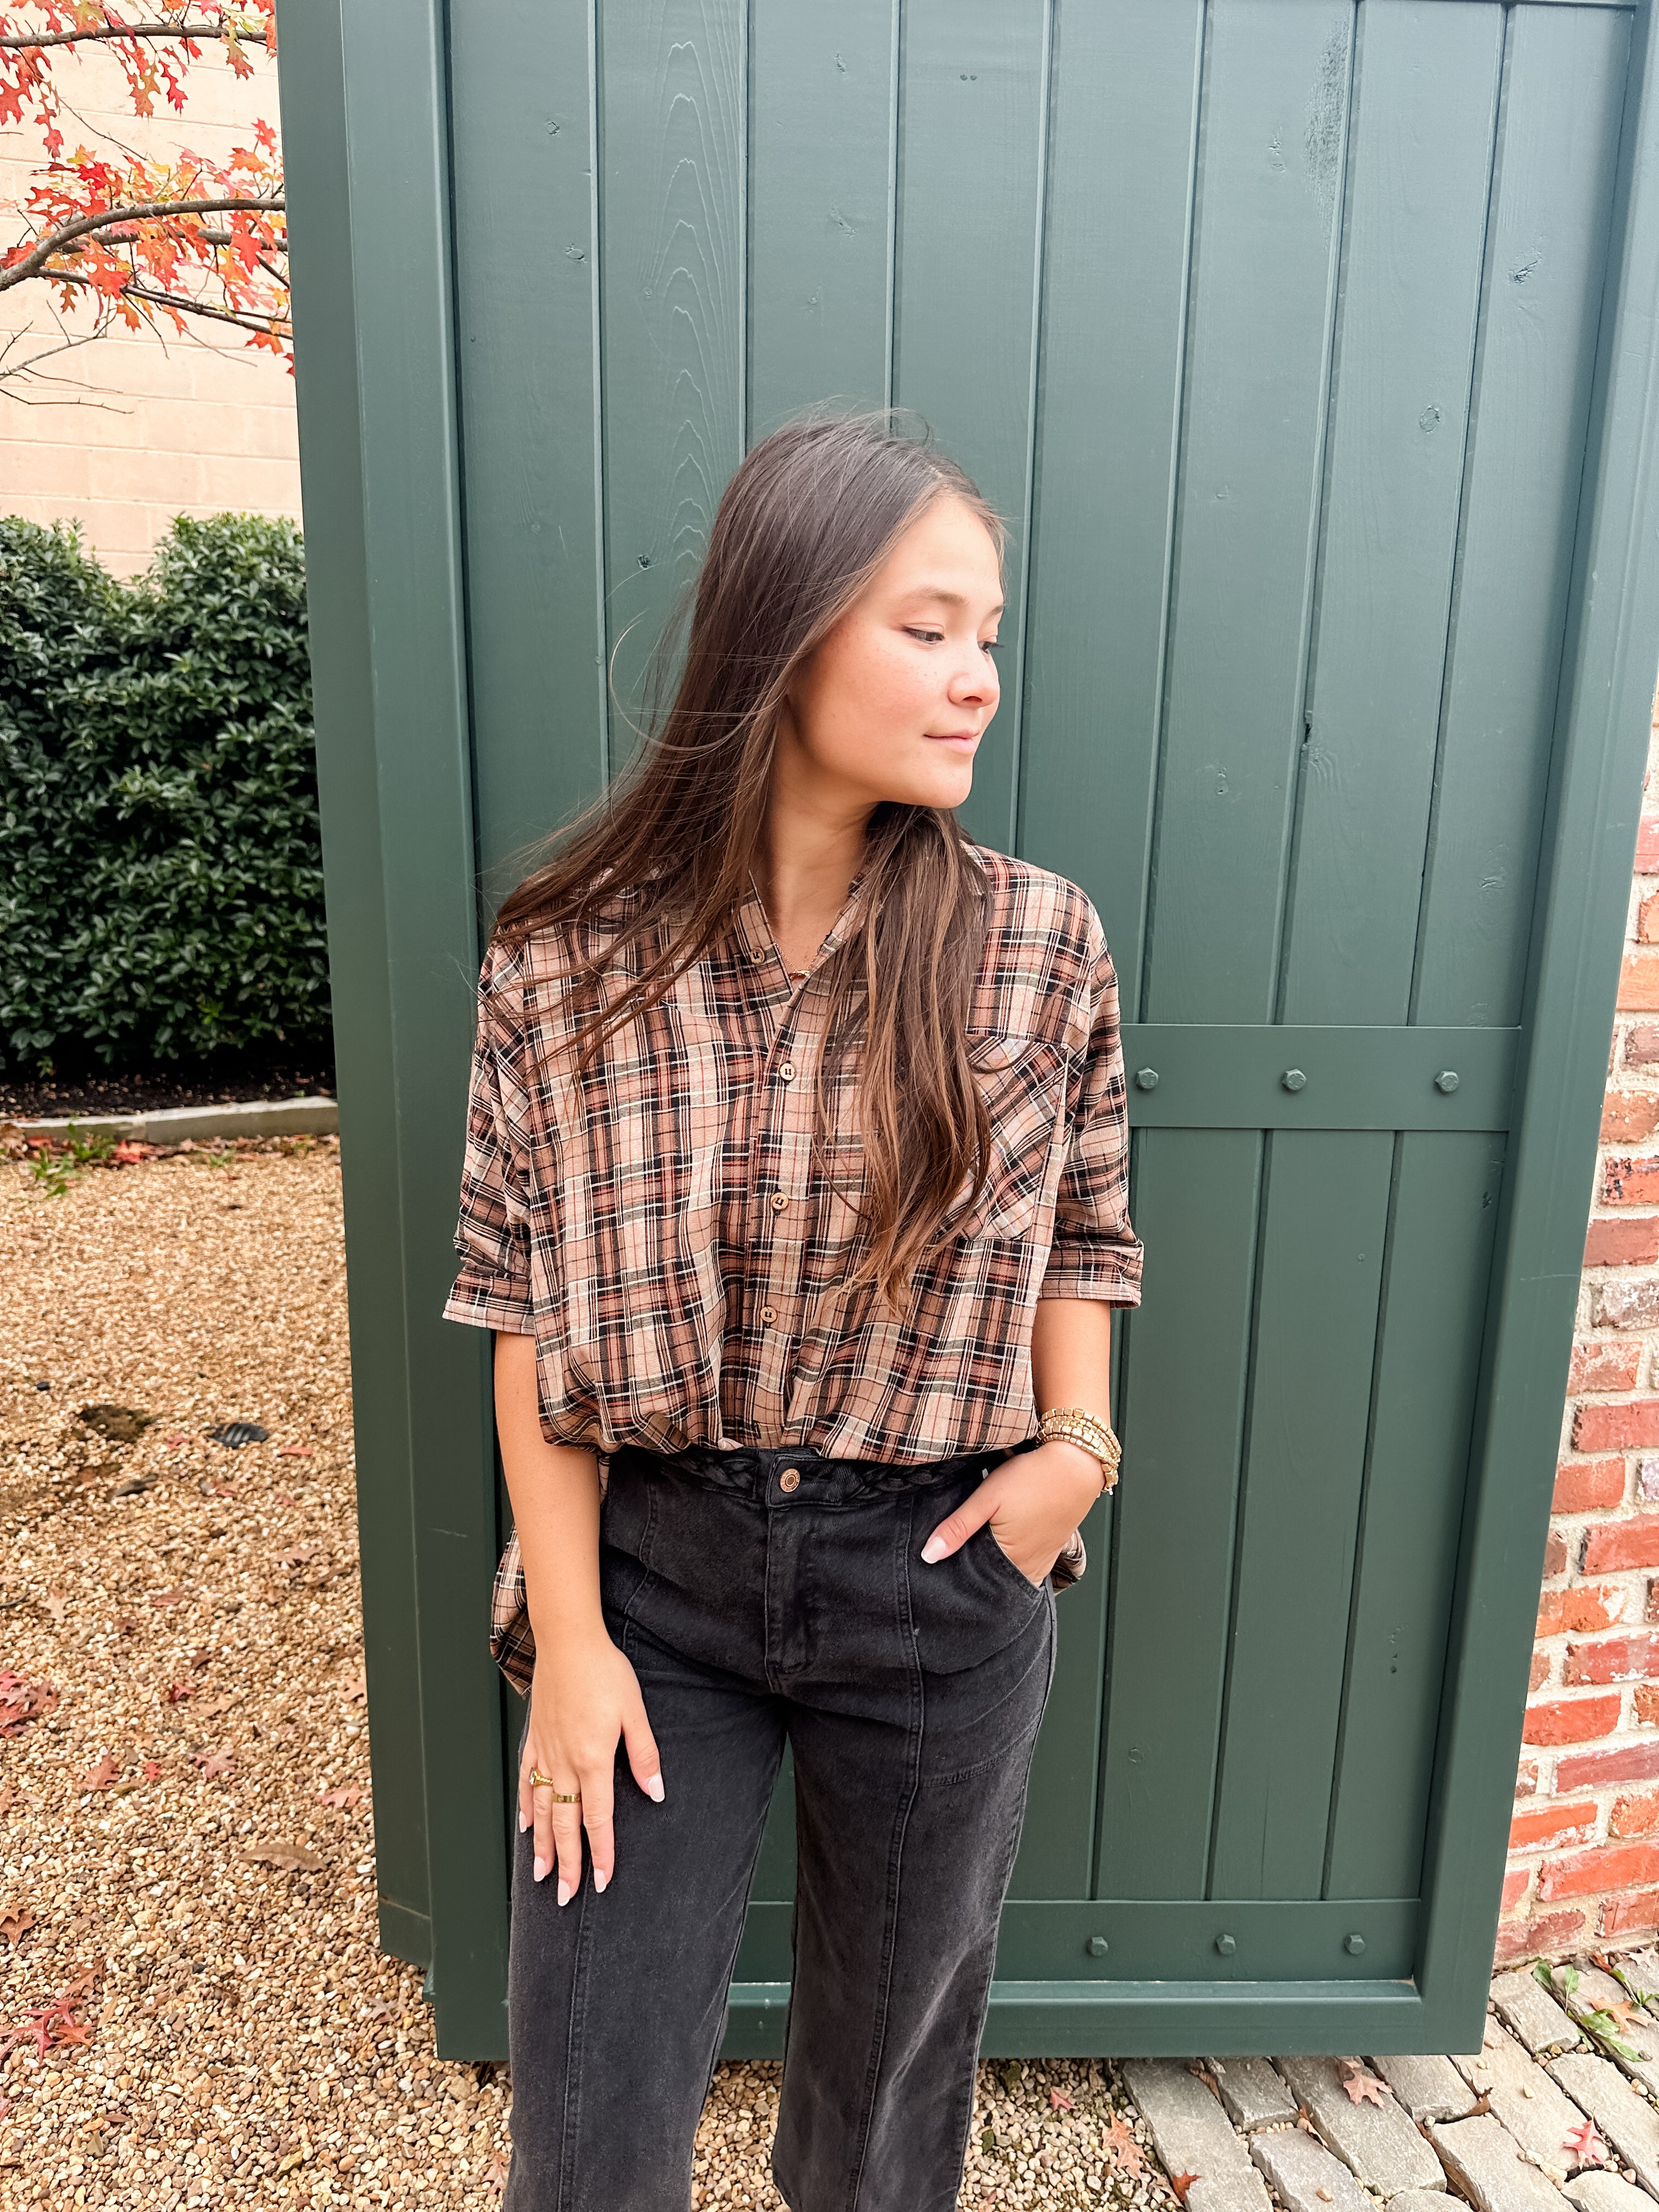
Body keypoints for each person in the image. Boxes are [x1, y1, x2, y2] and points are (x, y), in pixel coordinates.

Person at [443, 412, 1143, 2212]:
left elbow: (1086, 1228)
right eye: (928, 627)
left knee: (882, 2118)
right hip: (653, 1580)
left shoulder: (1037, 944)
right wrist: (574, 1646)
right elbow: (526, 1309)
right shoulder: (564, 957)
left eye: (990, 632)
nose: (977, 677)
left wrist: (1076, 1453)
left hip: (937, 1570)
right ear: (786, 622)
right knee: (590, 2126)